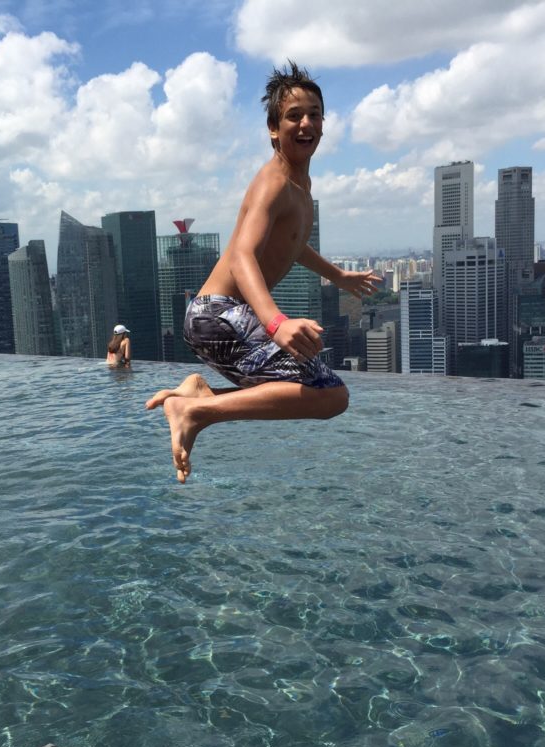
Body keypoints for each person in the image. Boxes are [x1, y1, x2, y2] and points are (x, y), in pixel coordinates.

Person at [146, 62, 381, 483]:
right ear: (274, 129)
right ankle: (194, 410)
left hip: (221, 315)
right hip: (216, 314)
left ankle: (200, 397)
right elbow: (241, 256)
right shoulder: (274, 182)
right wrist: (276, 323)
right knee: (331, 396)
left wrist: (338, 276)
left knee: (325, 394)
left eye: (314, 114)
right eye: (294, 115)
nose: (306, 123)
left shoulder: (298, 187)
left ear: (324, 125)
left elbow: (291, 244)